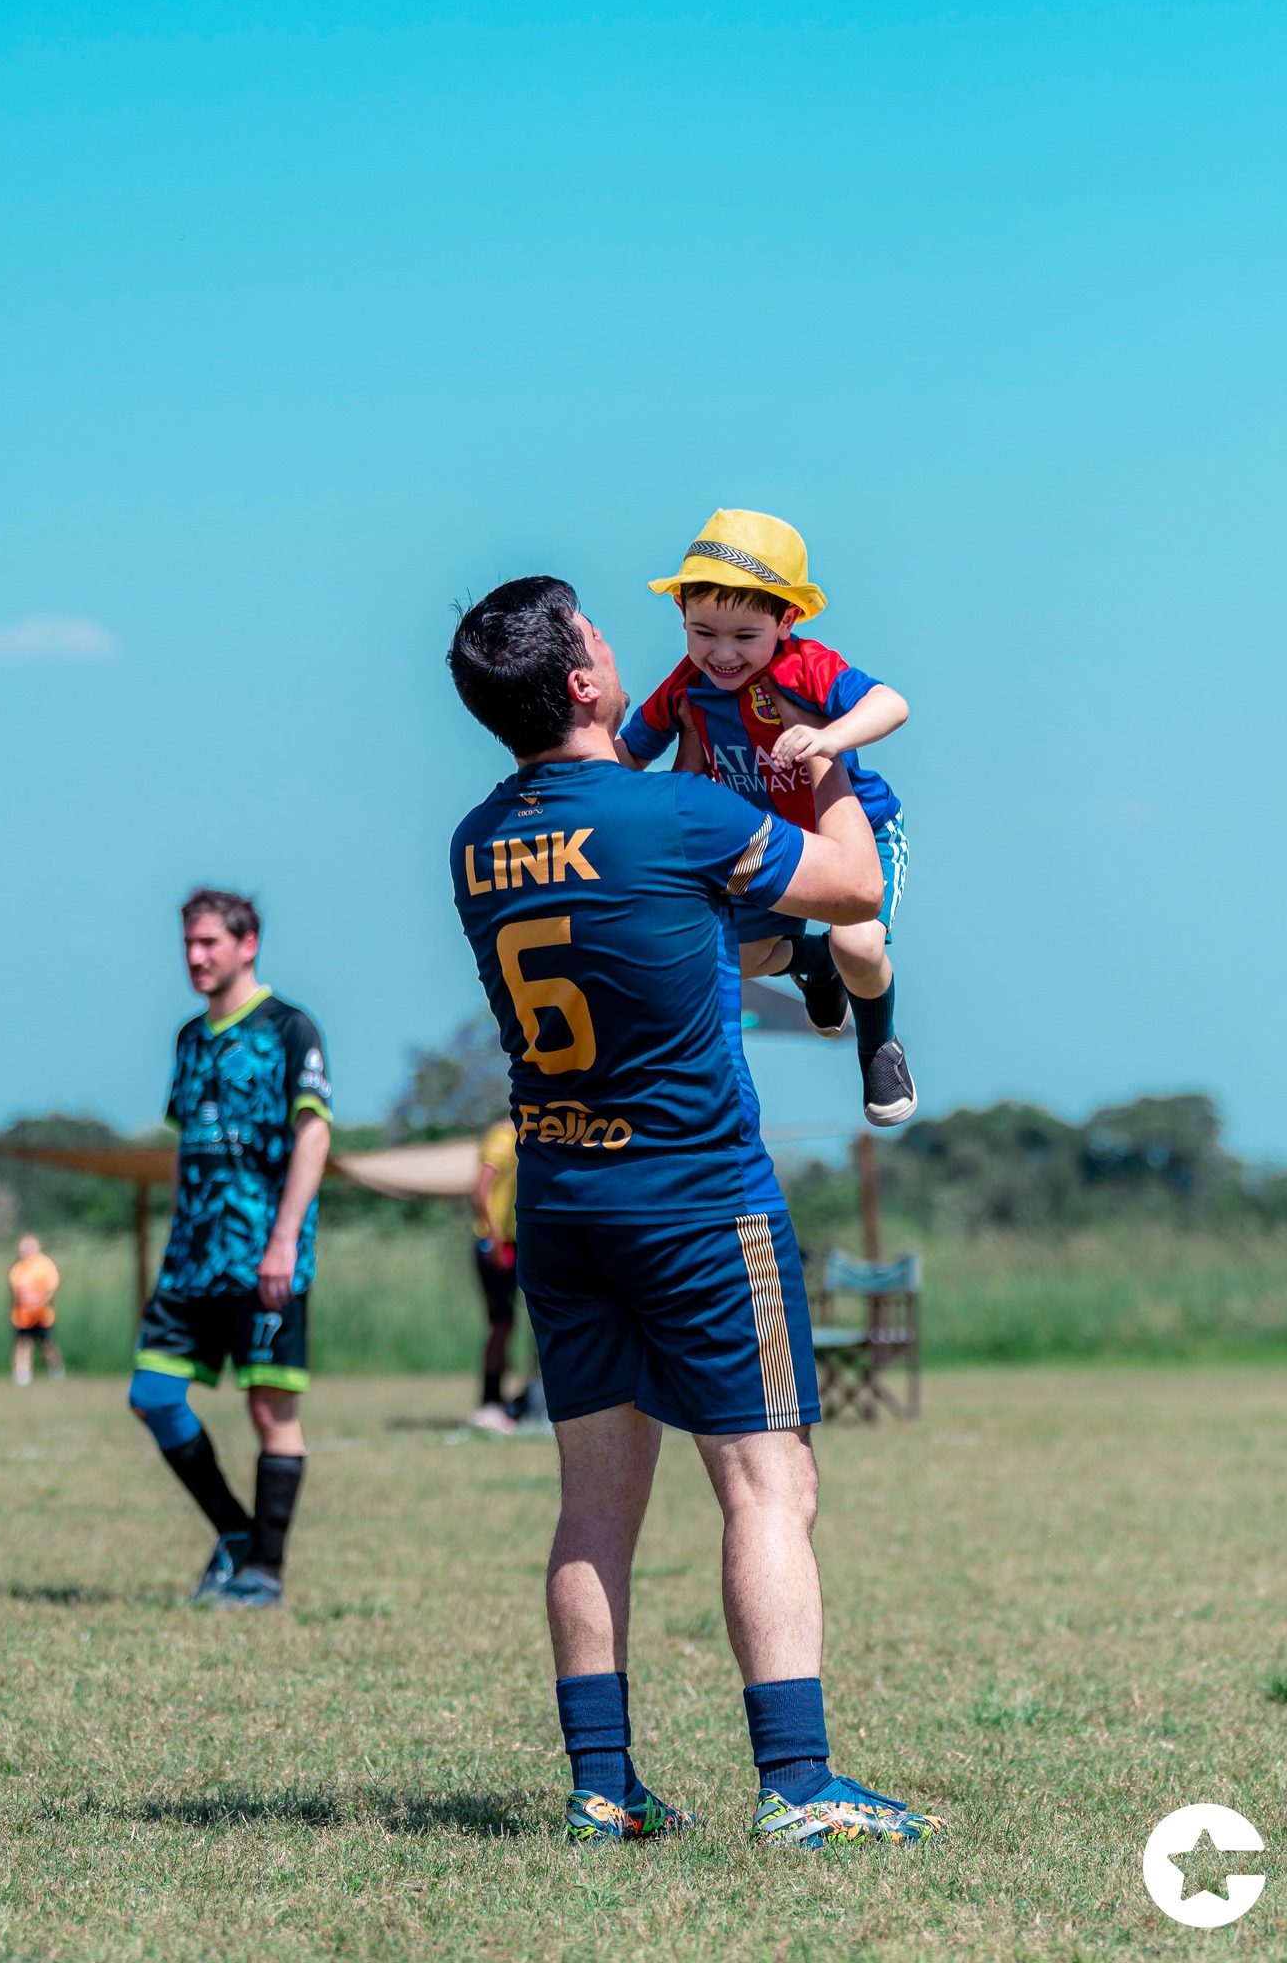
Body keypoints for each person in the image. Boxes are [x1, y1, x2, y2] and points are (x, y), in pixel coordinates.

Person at [448, 576, 945, 1850]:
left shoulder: (474, 841)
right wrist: (817, 745)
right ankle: (798, 1782)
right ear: (583, 684)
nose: (628, 647)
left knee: (593, 1502)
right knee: (767, 1479)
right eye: (605, 639)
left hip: (561, 1199)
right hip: (697, 1199)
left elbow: (674, 929)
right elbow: (843, 887)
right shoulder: (674, 811)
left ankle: (603, 1786)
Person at [617, 507, 916, 1127]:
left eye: (744, 636)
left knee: (857, 945)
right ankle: (809, 963)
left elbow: (892, 703)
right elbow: (626, 755)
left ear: (788, 619)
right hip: (768, 842)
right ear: (682, 618)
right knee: (724, 952)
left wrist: (831, 738)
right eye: (703, 633)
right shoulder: (686, 686)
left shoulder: (806, 668)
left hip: (860, 832)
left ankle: (878, 1045)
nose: (721, 654)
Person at [127, 889, 333, 1609]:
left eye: (209, 942)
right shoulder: (189, 1037)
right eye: (188, 943)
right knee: (151, 1393)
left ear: (248, 945)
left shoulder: (288, 1028)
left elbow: (314, 1134)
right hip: (193, 1257)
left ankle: (265, 1574)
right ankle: (238, 1534)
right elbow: (190, 1141)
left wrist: (283, 1241)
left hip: (265, 1256)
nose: (195, 956)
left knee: (268, 1408)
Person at [469, 1116, 520, 1434]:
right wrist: (495, 1237)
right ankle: (490, 1405)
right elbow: (481, 1190)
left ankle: (508, 1401)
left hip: (514, 1243)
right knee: (500, 1326)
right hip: (496, 1246)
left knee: (510, 1326)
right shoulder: (504, 1137)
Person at [8, 1234, 64, 1386]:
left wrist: (40, 1304)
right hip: (23, 1316)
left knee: (47, 1344)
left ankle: (56, 1371)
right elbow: (15, 1294)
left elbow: (51, 1289)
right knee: (23, 1344)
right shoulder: (18, 1268)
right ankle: (22, 1374)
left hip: (42, 1315)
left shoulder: (45, 1265)